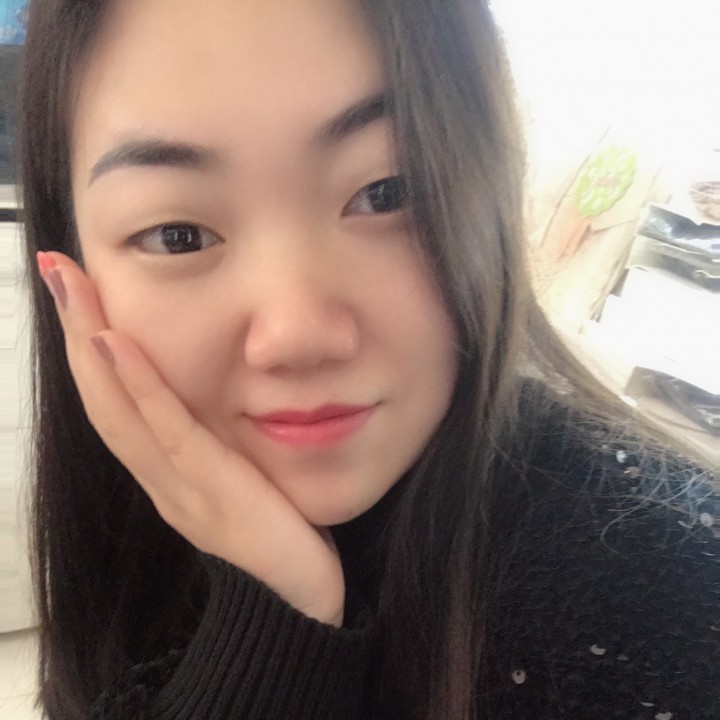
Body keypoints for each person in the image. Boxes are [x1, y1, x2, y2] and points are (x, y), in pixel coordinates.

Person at [18, 0, 718, 718]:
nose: (298, 335)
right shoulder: (122, 541)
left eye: (387, 193)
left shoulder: (673, 596)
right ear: (74, 262)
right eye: (178, 236)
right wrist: (272, 631)